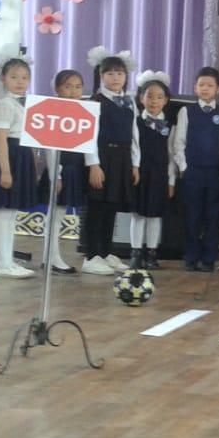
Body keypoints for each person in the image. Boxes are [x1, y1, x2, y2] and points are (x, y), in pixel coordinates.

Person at [81, 47, 137, 276]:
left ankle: (105, 252)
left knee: (111, 207)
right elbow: (88, 136)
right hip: (102, 158)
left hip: (122, 159)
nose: (115, 78)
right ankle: (90, 256)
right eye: (110, 73)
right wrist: (93, 165)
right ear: (101, 75)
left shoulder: (128, 101)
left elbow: (134, 134)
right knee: (96, 208)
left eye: (120, 73)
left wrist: (135, 164)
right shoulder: (95, 101)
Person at [0, 55, 38, 279]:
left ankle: (8, 260)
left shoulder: (26, 104)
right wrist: (5, 170)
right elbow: (1, 139)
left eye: (24, 77)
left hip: (22, 154)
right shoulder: (5, 104)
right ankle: (2, 263)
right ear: (3, 79)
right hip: (9, 156)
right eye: (14, 77)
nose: (20, 81)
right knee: (4, 211)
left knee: (12, 212)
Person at [174, 66, 219, 272]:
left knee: (214, 216)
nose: (205, 89)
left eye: (210, 85)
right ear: (195, 88)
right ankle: (191, 256)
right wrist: (183, 167)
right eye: (201, 85)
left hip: (216, 172)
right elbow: (179, 142)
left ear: (218, 89)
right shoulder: (186, 111)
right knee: (192, 215)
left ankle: (209, 258)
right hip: (193, 172)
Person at [128, 70, 176, 270]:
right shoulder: (136, 121)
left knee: (155, 215)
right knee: (138, 214)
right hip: (140, 173)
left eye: (159, 97)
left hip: (160, 174)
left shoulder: (170, 124)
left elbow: (172, 153)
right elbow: (134, 147)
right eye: (149, 96)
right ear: (141, 98)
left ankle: (152, 253)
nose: (154, 101)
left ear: (166, 100)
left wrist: (171, 180)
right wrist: (135, 169)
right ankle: (136, 252)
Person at [44, 69, 88, 275]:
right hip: (61, 168)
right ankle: (51, 257)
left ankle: (51, 256)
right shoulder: (53, 111)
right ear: (57, 89)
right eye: (68, 86)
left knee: (60, 214)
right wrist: (56, 175)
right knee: (55, 214)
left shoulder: (83, 111)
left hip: (75, 166)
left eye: (78, 87)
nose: (73, 91)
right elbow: (50, 147)